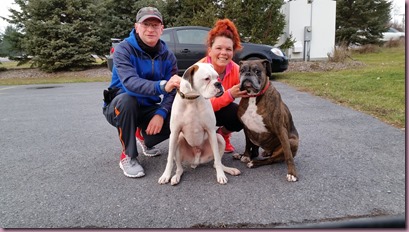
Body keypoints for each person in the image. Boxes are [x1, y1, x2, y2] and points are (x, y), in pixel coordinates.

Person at [103, 7, 180, 178]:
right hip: (118, 106)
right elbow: (130, 83)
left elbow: (173, 91)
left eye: (155, 25)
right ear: (137, 27)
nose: (151, 29)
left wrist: (161, 112)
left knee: (177, 116)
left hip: (147, 107)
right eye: (146, 24)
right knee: (127, 100)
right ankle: (128, 155)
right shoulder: (124, 49)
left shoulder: (168, 57)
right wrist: (162, 86)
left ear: (162, 29)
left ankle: (143, 137)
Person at [197, 19, 248, 153]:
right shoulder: (199, 70)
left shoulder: (236, 70)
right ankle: (198, 139)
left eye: (228, 49)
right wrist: (230, 94)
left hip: (219, 110)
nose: (223, 53)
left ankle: (223, 135)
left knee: (241, 115)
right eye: (219, 48)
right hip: (197, 114)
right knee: (199, 150)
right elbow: (203, 107)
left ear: (233, 52)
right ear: (210, 50)